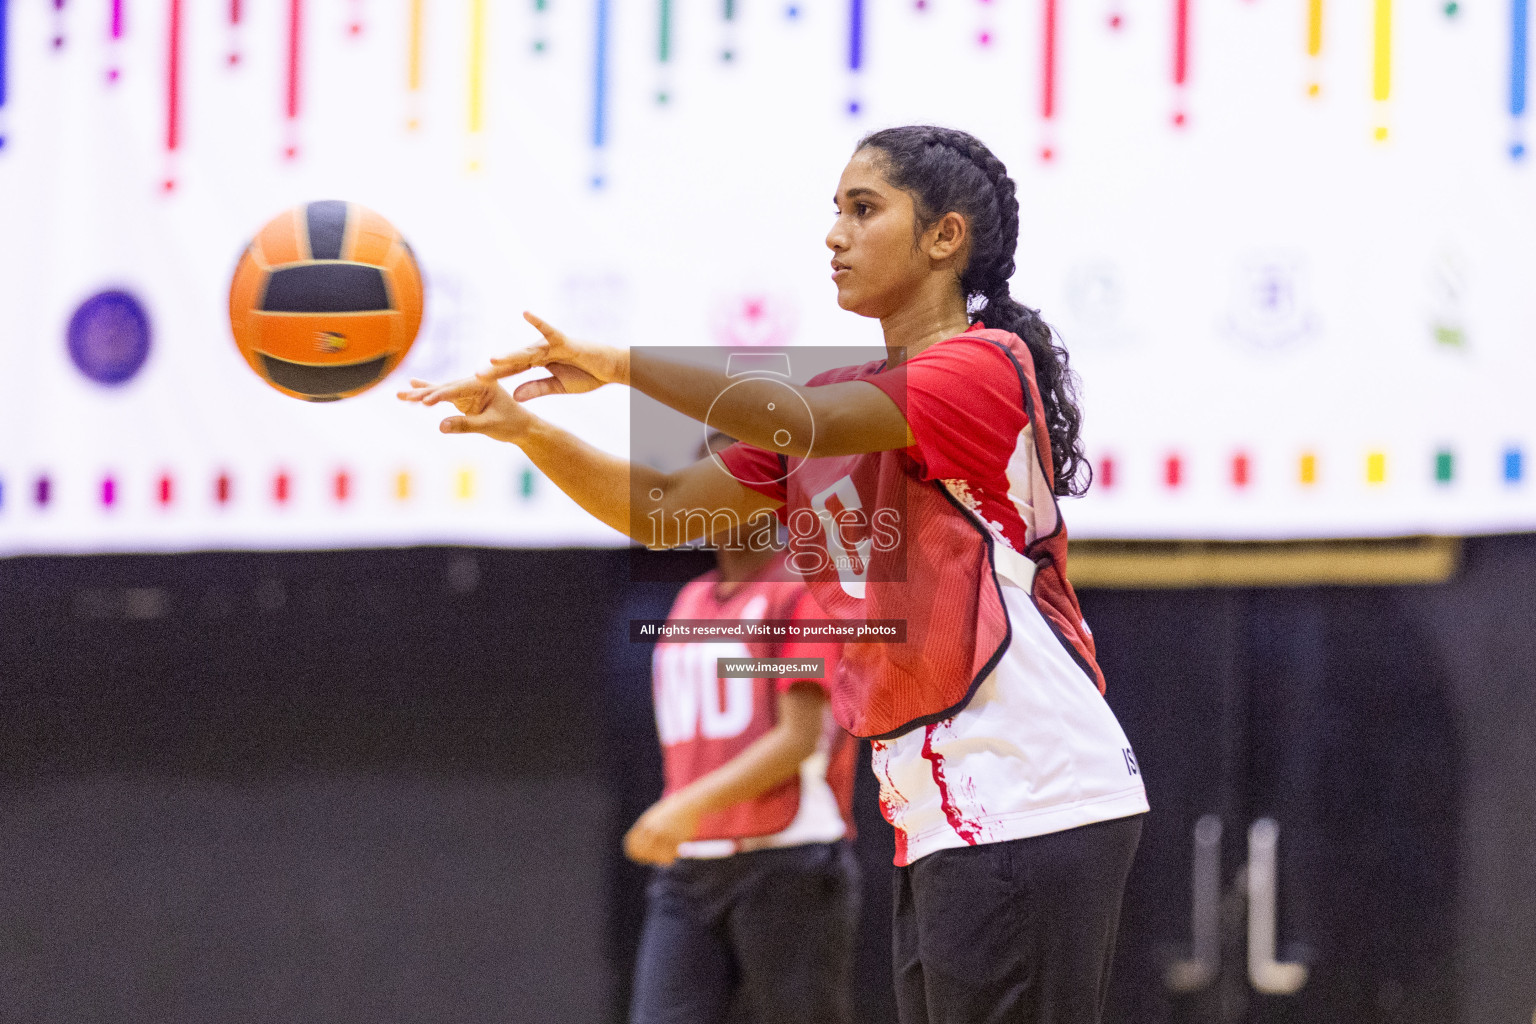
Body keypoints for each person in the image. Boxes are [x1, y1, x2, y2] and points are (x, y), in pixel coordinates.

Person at [401, 124, 1148, 1024]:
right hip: (948, 807)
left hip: (1035, 784)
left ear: (945, 237)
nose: (834, 234)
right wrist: (529, 432)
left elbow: (811, 421)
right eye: (833, 211)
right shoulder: (841, 394)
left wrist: (620, 364)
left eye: (864, 210)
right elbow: (666, 510)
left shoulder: (984, 366)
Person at [625, 437, 861, 1024]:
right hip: (691, 866)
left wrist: (684, 805)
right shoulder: (688, 600)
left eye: (734, 480)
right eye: (701, 482)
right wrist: (684, 812)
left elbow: (799, 738)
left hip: (789, 860)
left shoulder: (805, 592)